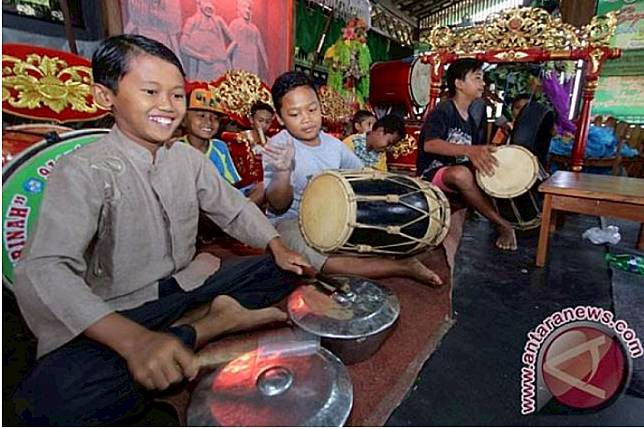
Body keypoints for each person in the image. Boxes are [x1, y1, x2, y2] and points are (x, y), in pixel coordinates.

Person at [12, 34, 310, 426]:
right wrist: (132, 341)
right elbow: (45, 269)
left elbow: (233, 208)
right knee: (46, 405)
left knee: (281, 269)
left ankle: (196, 326)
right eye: (151, 92)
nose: (167, 107)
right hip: (120, 310)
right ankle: (209, 325)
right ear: (106, 97)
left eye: (176, 95)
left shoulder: (187, 159)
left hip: (188, 284)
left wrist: (275, 244)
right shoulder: (83, 169)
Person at [263, 71, 443, 286]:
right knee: (316, 264)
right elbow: (278, 205)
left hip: (332, 213)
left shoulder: (334, 146)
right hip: (290, 220)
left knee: (369, 229)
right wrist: (283, 171)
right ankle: (403, 267)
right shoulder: (277, 147)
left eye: (312, 109)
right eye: (294, 114)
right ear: (281, 118)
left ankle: (394, 254)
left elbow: (363, 176)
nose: (307, 119)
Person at [416, 59, 517, 250]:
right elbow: (430, 145)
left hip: (458, 172)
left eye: (483, 78)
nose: (483, 83)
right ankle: (502, 224)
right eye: (477, 78)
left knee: (490, 166)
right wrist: (471, 151)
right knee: (460, 174)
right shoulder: (444, 109)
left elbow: (472, 152)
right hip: (432, 174)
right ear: (459, 83)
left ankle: (503, 217)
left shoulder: (470, 117)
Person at [180, 0, 234, 80]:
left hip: (221, 67)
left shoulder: (218, 21)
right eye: (206, 1)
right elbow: (183, 47)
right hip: (203, 68)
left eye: (211, 2)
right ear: (199, 2)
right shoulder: (192, 21)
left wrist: (225, 54)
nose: (209, 5)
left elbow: (234, 41)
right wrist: (203, 57)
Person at [228, 0, 270, 80]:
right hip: (240, 59)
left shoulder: (254, 28)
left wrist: (266, 64)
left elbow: (261, 47)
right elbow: (231, 43)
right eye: (244, 7)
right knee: (238, 82)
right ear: (239, 9)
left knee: (251, 82)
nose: (247, 10)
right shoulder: (235, 24)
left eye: (249, 8)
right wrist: (225, 57)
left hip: (252, 61)